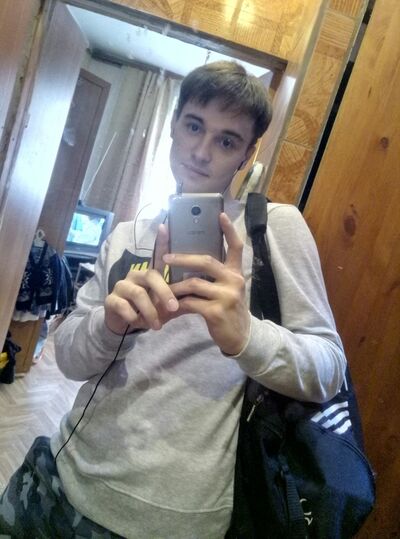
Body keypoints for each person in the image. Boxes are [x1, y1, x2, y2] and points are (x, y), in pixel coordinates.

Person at [0, 61, 346, 538]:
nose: (201, 153)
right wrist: (109, 326)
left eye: (227, 141)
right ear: (173, 125)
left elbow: (329, 370)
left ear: (246, 155)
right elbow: (71, 360)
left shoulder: (273, 228)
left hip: (173, 519)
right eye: (194, 127)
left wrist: (246, 336)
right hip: (62, 477)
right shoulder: (126, 234)